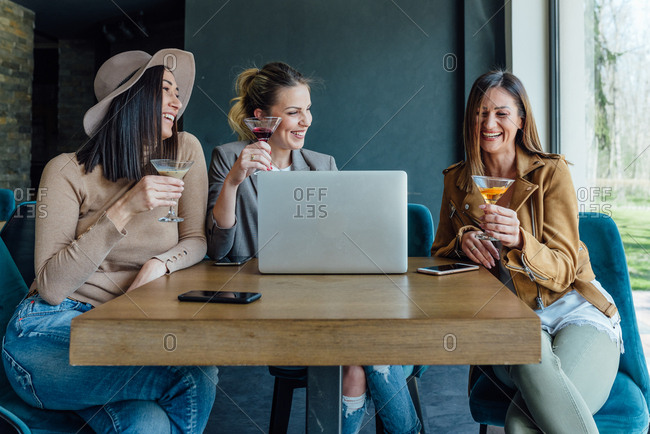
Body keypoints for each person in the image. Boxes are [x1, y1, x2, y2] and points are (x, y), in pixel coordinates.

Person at [1, 49, 217, 433]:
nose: (177, 101)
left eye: (178, 92)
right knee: (192, 371)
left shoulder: (185, 151)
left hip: (126, 327)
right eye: (165, 90)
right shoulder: (67, 171)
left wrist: (160, 264)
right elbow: (51, 287)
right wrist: (125, 208)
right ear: (131, 100)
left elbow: (196, 239)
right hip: (48, 332)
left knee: (146, 423)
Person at [206, 62, 421, 434]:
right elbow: (218, 248)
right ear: (261, 117)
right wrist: (233, 182)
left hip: (323, 301)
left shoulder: (323, 165)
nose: (305, 120)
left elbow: (340, 247)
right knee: (370, 346)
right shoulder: (229, 158)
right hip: (264, 307)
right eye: (293, 112)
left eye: (307, 109)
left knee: (356, 365)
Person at [431, 70, 622, 433]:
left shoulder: (551, 173)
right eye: (480, 113)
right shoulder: (456, 180)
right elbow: (439, 252)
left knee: (521, 426)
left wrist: (522, 241)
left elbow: (565, 268)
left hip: (573, 309)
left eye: (501, 113)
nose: (489, 123)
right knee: (523, 340)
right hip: (505, 319)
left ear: (520, 120)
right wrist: (462, 242)